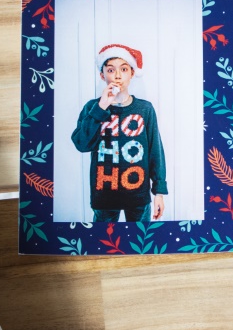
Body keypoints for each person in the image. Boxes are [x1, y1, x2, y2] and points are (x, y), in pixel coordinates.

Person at [71, 43, 168, 223]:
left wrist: (159, 191)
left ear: (132, 73)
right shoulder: (92, 108)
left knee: (140, 245)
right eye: (110, 70)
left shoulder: (145, 109)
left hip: (138, 196)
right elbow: (82, 144)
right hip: (104, 197)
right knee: (104, 244)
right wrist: (102, 107)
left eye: (123, 69)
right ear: (102, 75)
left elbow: (156, 151)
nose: (117, 75)